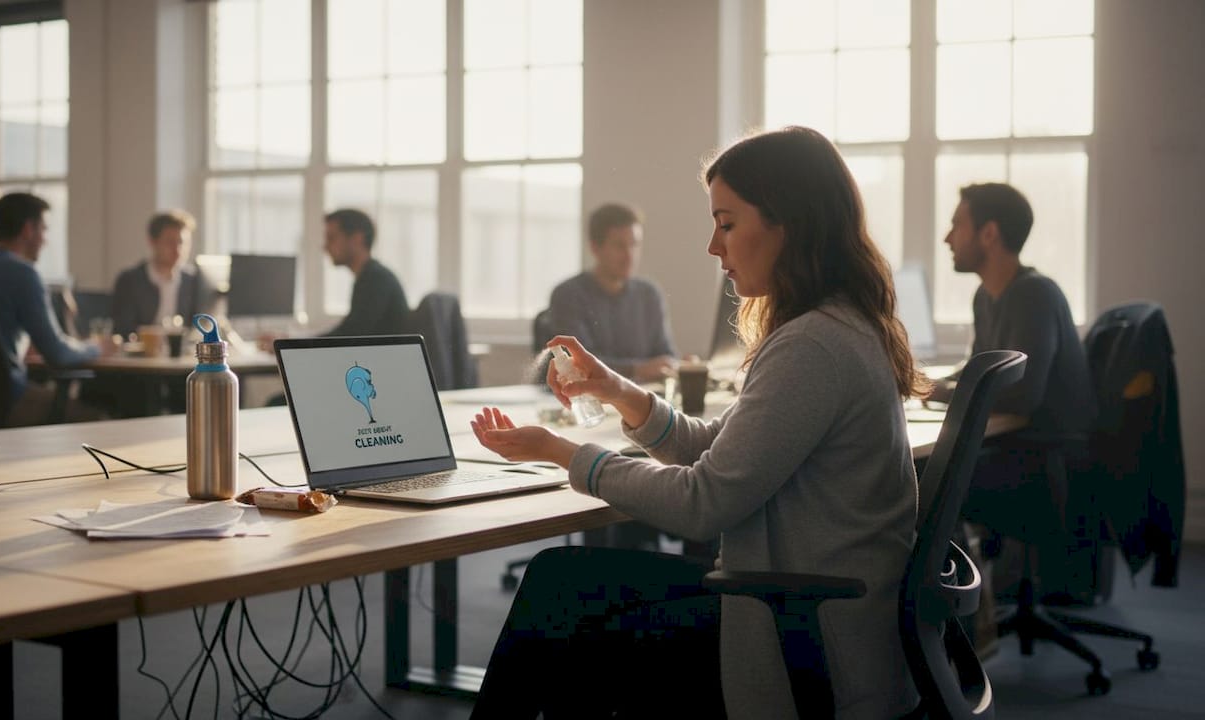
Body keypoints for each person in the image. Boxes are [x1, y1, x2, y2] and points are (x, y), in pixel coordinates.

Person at [467, 126, 926, 718]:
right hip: (817, 616)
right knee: (570, 592)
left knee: (564, 594)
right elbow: (721, 448)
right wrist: (618, 391)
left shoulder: (813, 346)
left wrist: (562, 452)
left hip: (805, 638)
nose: (714, 247)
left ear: (790, 223)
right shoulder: (834, 327)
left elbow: (702, 502)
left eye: (728, 223)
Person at [936, 183, 1099, 590]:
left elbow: (1023, 396)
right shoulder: (986, 296)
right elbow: (980, 369)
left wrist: (938, 393)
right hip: (1017, 449)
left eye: (957, 224)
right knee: (932, 470)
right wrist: (933, 381)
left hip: (1045, 462)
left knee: (928, 480)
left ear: (989, 234)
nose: (947, 237)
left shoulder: (1034, 295)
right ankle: (968, 609)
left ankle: (956, 614)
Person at [0, 192, 106, 425]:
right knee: (99, 419)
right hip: (7, 398)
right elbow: (58, 354)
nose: (45, 239)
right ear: (29, 230)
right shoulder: (24, 274)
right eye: (44, 229)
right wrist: (96, 347)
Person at [547, 203, 678, 383]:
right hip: (588, 401)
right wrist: (638, 369)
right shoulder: (568, 295)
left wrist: (674, 365)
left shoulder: (649, 294)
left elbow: (665, 355)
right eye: (619, 246)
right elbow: (580, 363)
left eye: (635, 245)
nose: (629, 255)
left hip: (640, 400)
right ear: (595, 248)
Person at [111, 210, 209, 339]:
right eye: (170, 242)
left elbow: (198, 325)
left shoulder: (192, 280)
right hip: (142, 355)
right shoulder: (130, 281)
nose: (177, 249)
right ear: (153, 242)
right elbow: (123, 330)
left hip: (180, 354)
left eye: (182, 242)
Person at [321, 208, 409, 337]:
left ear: (357, 239)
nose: (326, 246)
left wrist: (301, 343)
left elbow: (351, 334)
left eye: (332, 238)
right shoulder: (370, 276)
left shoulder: (376, 279)